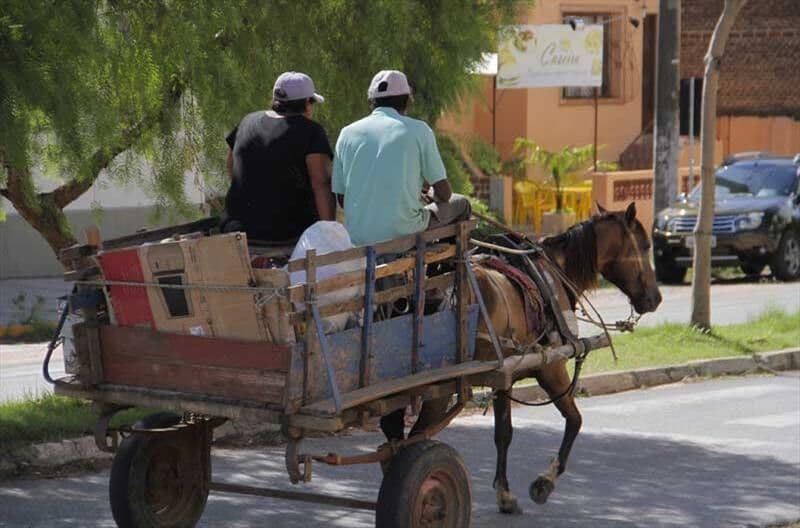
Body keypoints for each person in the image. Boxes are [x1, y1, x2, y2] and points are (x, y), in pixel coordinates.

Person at [332, 70, 470, 246]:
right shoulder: (420, 131)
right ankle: (449, 264)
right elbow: (444, 194)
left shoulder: (346, 133)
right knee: (462, 203)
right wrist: (430, 194)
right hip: (404, 234)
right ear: (407, 100)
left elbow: (343, 200)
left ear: (371, 101)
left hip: (358, 238)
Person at [222, 71, 335, 242]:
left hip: (237, 229)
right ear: (307, 103)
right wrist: (329, 234)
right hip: (287, 233)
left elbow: (232, 167)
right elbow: (321, 184)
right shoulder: (311, 131)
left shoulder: (247, 122)